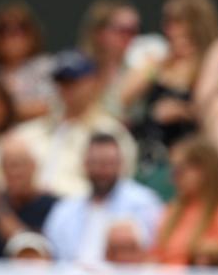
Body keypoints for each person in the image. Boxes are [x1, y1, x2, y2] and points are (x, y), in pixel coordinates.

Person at [122, 0, 218, 198]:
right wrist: (158, 65)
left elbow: (208, 109)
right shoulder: (159, 60)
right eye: (168, 22)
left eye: (177, 22)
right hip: (149, 154)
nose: (170, 30)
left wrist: (181, 111)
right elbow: (123, 97)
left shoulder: (212, 61)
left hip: (190, 154)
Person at [17, 50, 137, 197]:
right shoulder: (31, 131)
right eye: (61, 82)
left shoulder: (110, 132)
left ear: (93, 82)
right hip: (30, 206)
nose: (66, 89)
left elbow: (117, 188)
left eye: (73, 82)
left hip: (81, 211)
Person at [43, 134, 162, 264]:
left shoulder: (144, 203)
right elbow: (50, 255)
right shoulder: (64, 210)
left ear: (120, 164)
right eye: (96, 163)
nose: (102, 171)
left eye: (108, 164)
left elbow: (151, 253)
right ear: (85, 164)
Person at [0, 134, 58, 257]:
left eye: (19, 165)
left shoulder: (53, 207)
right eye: (7, 166)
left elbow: (31, 252)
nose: (14, 172)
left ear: (34, 166)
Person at [153, 136, 218, 265]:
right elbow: (156, 255)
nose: (173, 179)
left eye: (180, 171)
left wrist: (212, 252)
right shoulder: (172, 210)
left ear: (204, 170)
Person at [78, 0, 140, 118]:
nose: (130, 36)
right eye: (123, 30)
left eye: (134, 30)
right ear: (99, 33)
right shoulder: (80, 68)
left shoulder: (141, 64)